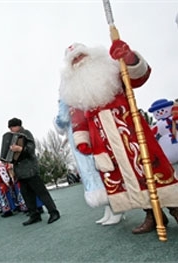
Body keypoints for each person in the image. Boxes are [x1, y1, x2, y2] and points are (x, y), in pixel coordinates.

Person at [58, 40, 178, 234]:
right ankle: (152, 214)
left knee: (152, 167)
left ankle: (175, 207)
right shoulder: (75, 94)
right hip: (104, 142)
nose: (79, 61)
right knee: (126, 177)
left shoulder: (112, 70)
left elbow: (139, 77)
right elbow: (79, 120)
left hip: (131, 130)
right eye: (74, 60)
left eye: (81, 56)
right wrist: (82, 140)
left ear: (91, 55)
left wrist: (129, 58)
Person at [55, 99, 123, 225]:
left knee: (95, 170)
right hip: (83, 130)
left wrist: (57, 121)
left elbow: (62, 119)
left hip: (81, 133)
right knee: (96, 169)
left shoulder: (67, 95)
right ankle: (110, 208)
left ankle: (117, 208)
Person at [5, 117, 60, 225]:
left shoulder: (26, 134)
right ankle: (34, 215)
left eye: (12, 127)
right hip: (20, 172)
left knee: (41, 192)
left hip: (30, 169)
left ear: (18, 126)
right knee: (27, 195)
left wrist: (20, 149)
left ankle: (54, 212)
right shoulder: (11, 138)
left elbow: (31, 149)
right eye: (10, 128)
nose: (11, 130)